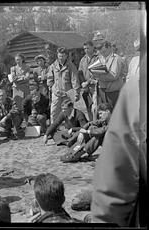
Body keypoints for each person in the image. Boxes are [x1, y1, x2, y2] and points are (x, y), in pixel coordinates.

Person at [91, 52, 147, 227]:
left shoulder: (136, 93)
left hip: (115, 91)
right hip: (106, 91)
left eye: (102, 45)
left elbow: (114, 184)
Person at [47, 47, 80, 124]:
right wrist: (52, 87)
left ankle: (69, 129)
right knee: (54, 112)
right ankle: (53, 130)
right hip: (56, 93)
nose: (61, 58)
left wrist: (76, 92)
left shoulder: (71, 66)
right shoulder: (53, 66)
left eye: (62, 56)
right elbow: (49, 78)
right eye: (59, 56)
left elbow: (74, 79)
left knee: (69, 112)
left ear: (66, 56)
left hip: (67, 93)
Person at [92, 41, 125, 108]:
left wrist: (98, 76)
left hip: (114, 92)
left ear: (110, 48)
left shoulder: (116, 59)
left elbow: (113, 76)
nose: (103, 54)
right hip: (102, 91)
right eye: (101, 52)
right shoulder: (100, 59)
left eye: (104, 51)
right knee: (105, 114)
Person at [78, 41, 99, 121]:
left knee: (95, 106)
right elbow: (80, 73)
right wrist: (83, 82)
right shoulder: (83, 60)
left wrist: (88, 81)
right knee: (87, 107)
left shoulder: (98, 57)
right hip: (86, 87)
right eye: (85, 49)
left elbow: (97, 72)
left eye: (88, 48)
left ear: (93, 47)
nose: (86, 50)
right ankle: (90, 123)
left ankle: (95, 123)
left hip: (95, 86)